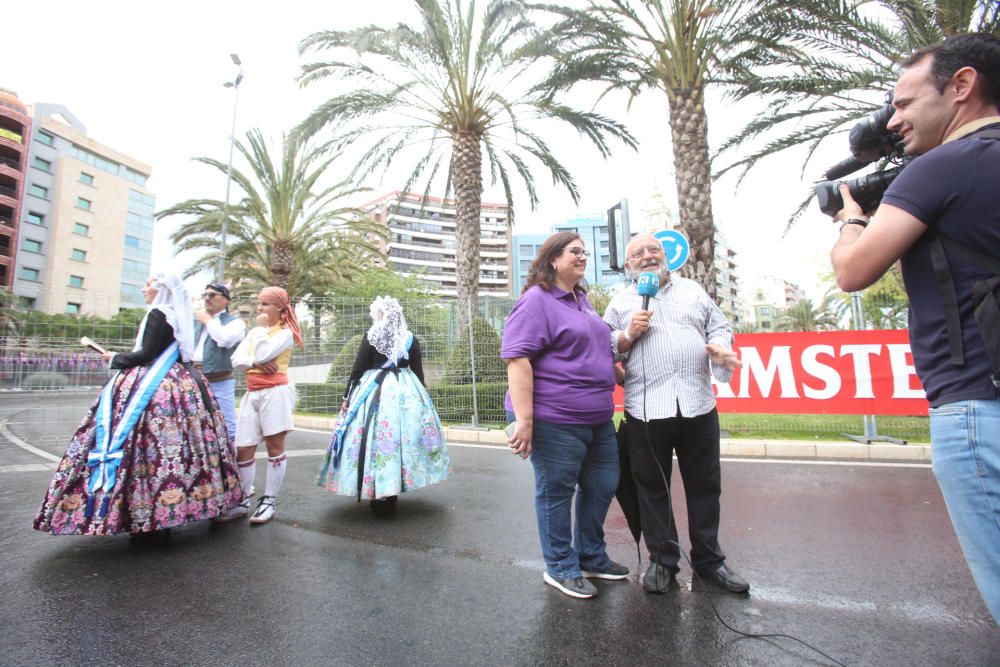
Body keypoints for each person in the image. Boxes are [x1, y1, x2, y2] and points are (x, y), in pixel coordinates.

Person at [830, 33, 1000, 624]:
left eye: (903, 104)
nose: (894, 119)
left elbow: (853, 272)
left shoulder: (945, 166)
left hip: (977, 400)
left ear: (962, 86)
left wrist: (852, 218)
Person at [33, 273, 244, 535]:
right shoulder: (177, 314)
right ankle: (183, 504)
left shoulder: (159, 313)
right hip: (181, 381)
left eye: (149, 285)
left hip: (154, 384)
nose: (144, 289)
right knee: (186, 446)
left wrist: (116, 358)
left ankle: (140, 510)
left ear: (161, 290)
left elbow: (146, 354)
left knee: (144, 443)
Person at [603, 233, 746, 594]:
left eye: (655, 250)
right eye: (639, 253)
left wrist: (720, 347)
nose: (648, 256)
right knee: (653, 488)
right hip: (647, 409)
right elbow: (603, 348)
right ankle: (663, 561)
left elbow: (720, 325)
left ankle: (710, 561)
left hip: (698, 403)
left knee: (705, 486)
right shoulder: (620, 302)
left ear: (666, 256)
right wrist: (625, 335)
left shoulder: (693, 290)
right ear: (629, 265)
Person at [501, 231, 627, 600]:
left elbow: (594, 347)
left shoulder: (582, 300)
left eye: (584, 252)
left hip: (598, 417)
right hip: (556, 417)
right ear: (553, 259)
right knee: (556, 492)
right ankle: (560, 566)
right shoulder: (536, 301)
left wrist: (614, 370)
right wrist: (525, 421)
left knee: (603, 484)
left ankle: (591, 556)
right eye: (575, 251)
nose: (582, 257)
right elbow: (517, 359)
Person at [318, 296, 450, 511]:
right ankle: (393, 487)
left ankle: (374, 487)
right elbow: (418, 373)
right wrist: (424, 401)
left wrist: (347, 398)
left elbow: (357, 370)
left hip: (372, 390)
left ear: (382, 315)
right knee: (400, 438)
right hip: (406, 392)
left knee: (372, 438)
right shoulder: (410, 339)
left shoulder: (371, 337)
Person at [214, 286, 302, 525]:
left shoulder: (285, 333)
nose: (260, 308)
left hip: (275, 393)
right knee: (244, 447)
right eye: (259, 303)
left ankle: (269, 501)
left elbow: (264, 355)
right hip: (252, 393)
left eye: (265, 304)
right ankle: (241, 501)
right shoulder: (256, 332)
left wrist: (258, 351)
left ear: (280, 308)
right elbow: (237, 360)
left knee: (275, 446)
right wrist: (254, 361)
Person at [192, 282, 246, 445]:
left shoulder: (235, 323)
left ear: (226, 300)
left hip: (219, 381)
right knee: (195, 425)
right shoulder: (195, 321)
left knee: (227, 426)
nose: (207, 298)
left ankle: (231, 467)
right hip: (193, 380)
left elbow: (225, 339)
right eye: (205, 295)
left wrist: (209, 321)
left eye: (212, 295)